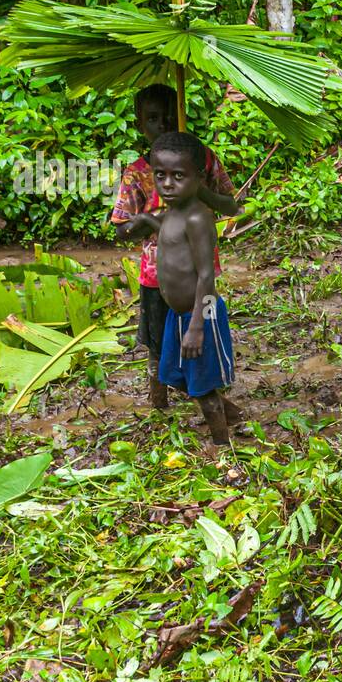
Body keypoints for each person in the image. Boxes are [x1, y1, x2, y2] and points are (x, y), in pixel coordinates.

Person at [110, 84, 240, 409]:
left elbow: (232, 206)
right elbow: (120, 229)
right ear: (141, 124)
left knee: (202, 335)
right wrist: (146, 221)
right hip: (157, 277)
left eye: (169, 115)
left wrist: (199, 190)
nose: (163, 123)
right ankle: (160, 406)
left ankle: (213, 401)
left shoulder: (204, 161)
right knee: (158, 345)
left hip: (200, 272)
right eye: (153, 118)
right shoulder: (137, 174)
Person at [145, 131, 243, 447]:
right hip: (179, 313)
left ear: (198, 178)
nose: (168, 184)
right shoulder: (172, 212)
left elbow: (205, 276)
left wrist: (197, 327)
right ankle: (233, 415)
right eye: (161, 175)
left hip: (202, 312)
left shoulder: (199, 217)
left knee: (202, 387)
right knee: (179, 377)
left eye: (178, 176)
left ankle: (221, 446)